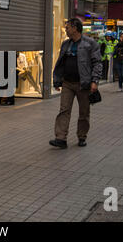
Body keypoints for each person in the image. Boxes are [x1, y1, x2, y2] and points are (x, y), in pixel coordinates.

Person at [50, 18, 102, 149]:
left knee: (84, 113)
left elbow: (97, 63)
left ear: (75, 28)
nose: (66, 30)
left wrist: (94, 81)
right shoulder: (65, 44)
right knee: (64, 110)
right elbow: (60, 63)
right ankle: (60, 138)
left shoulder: (90, 44)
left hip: (83, 84)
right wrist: (57, 80)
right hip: (67, 83)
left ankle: (82, 136)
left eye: (67, 27)